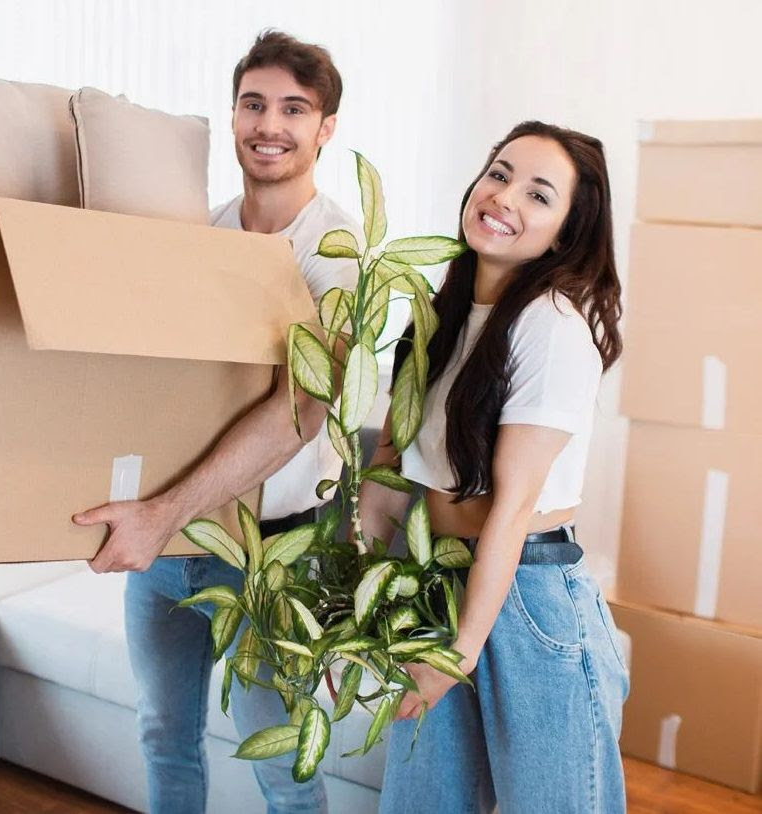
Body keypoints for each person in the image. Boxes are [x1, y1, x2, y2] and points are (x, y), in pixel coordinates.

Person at [72, 30, 359, 814]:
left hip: (271, 553)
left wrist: (163, 512)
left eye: (294, 109)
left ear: (326, 128)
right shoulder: (200, 232)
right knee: (164, 734)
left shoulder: (335, 253)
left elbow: (301, 412)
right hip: (172, 544)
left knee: (284, 768)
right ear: (232, 115)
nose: (269, 125)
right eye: (253, 104)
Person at [359, 121, 629, 813]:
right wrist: (353, 611)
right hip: (437, 581)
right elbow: (387, 480)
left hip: (528, 594)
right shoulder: (439, 318)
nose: (504, 197)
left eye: (538, 194)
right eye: (499, 174)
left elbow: (511, 508)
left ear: (565, 233)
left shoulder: (551, 324)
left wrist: (459, 651)